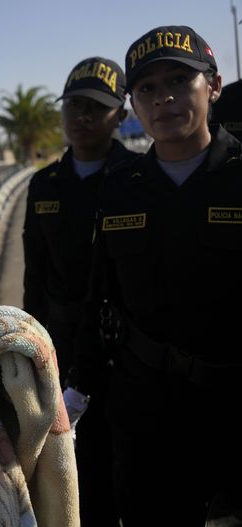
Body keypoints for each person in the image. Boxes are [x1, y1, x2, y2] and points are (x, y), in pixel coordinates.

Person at [71, 26, 242, 526]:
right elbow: (99, 296)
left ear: (212, 86)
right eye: (146, 87)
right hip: (146, 414)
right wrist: (76, 391)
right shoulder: (123, 188)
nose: (163, 97)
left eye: (179, 80)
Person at [22, 56, 136, 526]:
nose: (82, 118)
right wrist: (30, 352)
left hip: (128, 356)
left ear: (121, 116)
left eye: (96, 107)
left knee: (132, 470)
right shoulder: (44, 184)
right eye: (74, 106)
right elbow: (34, 278)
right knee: (75, 471)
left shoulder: (138, 178)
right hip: (61, 353)